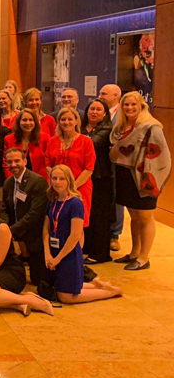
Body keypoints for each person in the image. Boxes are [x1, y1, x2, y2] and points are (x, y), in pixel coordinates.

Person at [110, 91, 172, 270]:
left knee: (145, 216)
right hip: (125, 176)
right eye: (126, 105)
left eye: (133, 105)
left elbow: (160, 156)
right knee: (134, 216)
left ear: (142, 106)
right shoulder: (121, 127)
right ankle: (134, 253)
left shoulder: (151, 127)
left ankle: (144, 258)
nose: (130, 108)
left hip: (144, 178)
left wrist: (149, 179)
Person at [44, 166, 122, 303]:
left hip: (68, 253)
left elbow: (75, 235)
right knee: (56, 287)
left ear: (69, 181)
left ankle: (110, 292)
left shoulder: (76, 203)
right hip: (54, 250)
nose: (57, 182)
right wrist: (48, 254)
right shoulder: (53, 201)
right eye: (54, 178)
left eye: (62, 179)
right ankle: (95, 285)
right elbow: (46, 229)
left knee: (66, 297)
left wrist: (58, 259)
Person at [1, 147, 48, 286]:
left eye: (17, 161)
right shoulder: (8, 183)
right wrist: (3, 227)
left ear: (25, 161)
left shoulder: (38, 181)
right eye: (10, 162)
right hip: (15, 231)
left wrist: (11, 230)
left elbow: (35, 214)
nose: (13, 165)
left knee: (37, 280)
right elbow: (4, 207)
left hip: (33, 235)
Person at [45, 109, 95, 230]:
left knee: (78, 226)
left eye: (70, 119)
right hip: (57, 189)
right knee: (58, 222)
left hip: (79, 188)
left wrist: (71, 188)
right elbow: (47, 165)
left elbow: (89, 169)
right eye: (63, 119)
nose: (66, 122)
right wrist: (58, 184)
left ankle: (77, 249)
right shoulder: (52, 141)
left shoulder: (86, 141)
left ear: (76, 121)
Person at [81, 98, 114, 264]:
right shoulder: (81, 127)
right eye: (91, 109)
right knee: (88, 215)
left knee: (100, 217)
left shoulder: (106, 129)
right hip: (84, 178)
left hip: (101, 179)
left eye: (98, 109)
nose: (94, 112)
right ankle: (87, 248)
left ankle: (100, 254)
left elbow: (90, 144)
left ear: (105, 113)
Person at [99, 84, 125, 252]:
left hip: (118, 163)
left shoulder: (122, 115)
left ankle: (115, 234)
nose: (100, 96)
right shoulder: (99, 112)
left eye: (104, 94)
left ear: (116, 96)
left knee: (116, 198)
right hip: (101, 163)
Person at [3, 109, 49, 180]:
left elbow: (48, 163)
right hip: (16, 180)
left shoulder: (45, 138)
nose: (28, 123)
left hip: (40, 181)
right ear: (18, 122)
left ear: (35, 122)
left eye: (31, 120)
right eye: (24, 120)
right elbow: (6, 163)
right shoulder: (9, 139)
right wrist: (12, 180)